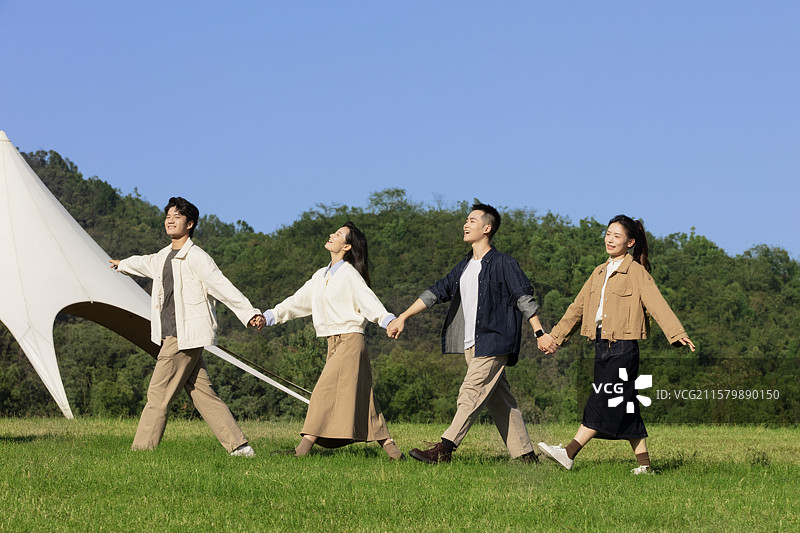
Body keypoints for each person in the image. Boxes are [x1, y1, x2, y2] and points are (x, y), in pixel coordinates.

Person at [388, 203, 555, 464]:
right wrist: (403, 317)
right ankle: (525, 456)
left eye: (472, 221)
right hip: (471, 343)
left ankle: (444, 449)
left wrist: (540, 333)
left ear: (487, 228)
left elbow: (524, 298)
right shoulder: (465, 265)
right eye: (466, 220)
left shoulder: (504, 263)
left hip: (495, 340)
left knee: (470, 392)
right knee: (500, 400)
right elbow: (436, 291)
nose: (466, 224)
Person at [537, 215, 695, 474]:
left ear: (630, 242)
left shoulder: (636, 272)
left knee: (602, 398)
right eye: (608, 233)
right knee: (627, 405)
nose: (610, 239)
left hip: (623, 347)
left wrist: (677, 333)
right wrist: (556, 337)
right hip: (601, 345)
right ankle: (645, 466)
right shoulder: (599, 271)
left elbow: (656, 302)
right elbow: (577, 307)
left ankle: (568, 453)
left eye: (617, 236)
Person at [109, 196, 265, 456]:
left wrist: (249, 313)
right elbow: (144, 262)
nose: (170, 220)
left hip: (183, 336)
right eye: (168, 216)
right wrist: (122, 265)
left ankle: (142, 450)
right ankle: (240, 447)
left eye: (177, 217)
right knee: (203, 393)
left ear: (190, 224)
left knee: (158, 393)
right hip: (175, 335)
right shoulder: (163, 256)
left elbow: (222, 286)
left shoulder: (197, 258)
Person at [262, 222, 404, 460]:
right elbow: (297, 302)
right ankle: (393, 451)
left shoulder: (349, 274)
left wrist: (387, 320)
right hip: (333, 343)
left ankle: (302, 450)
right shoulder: (321, 276)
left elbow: (368, 301)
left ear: (347, 247)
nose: (331, 235)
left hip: (350, 341)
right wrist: (269, 316)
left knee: (322, 392)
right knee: (365, 398)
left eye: (338, 235)